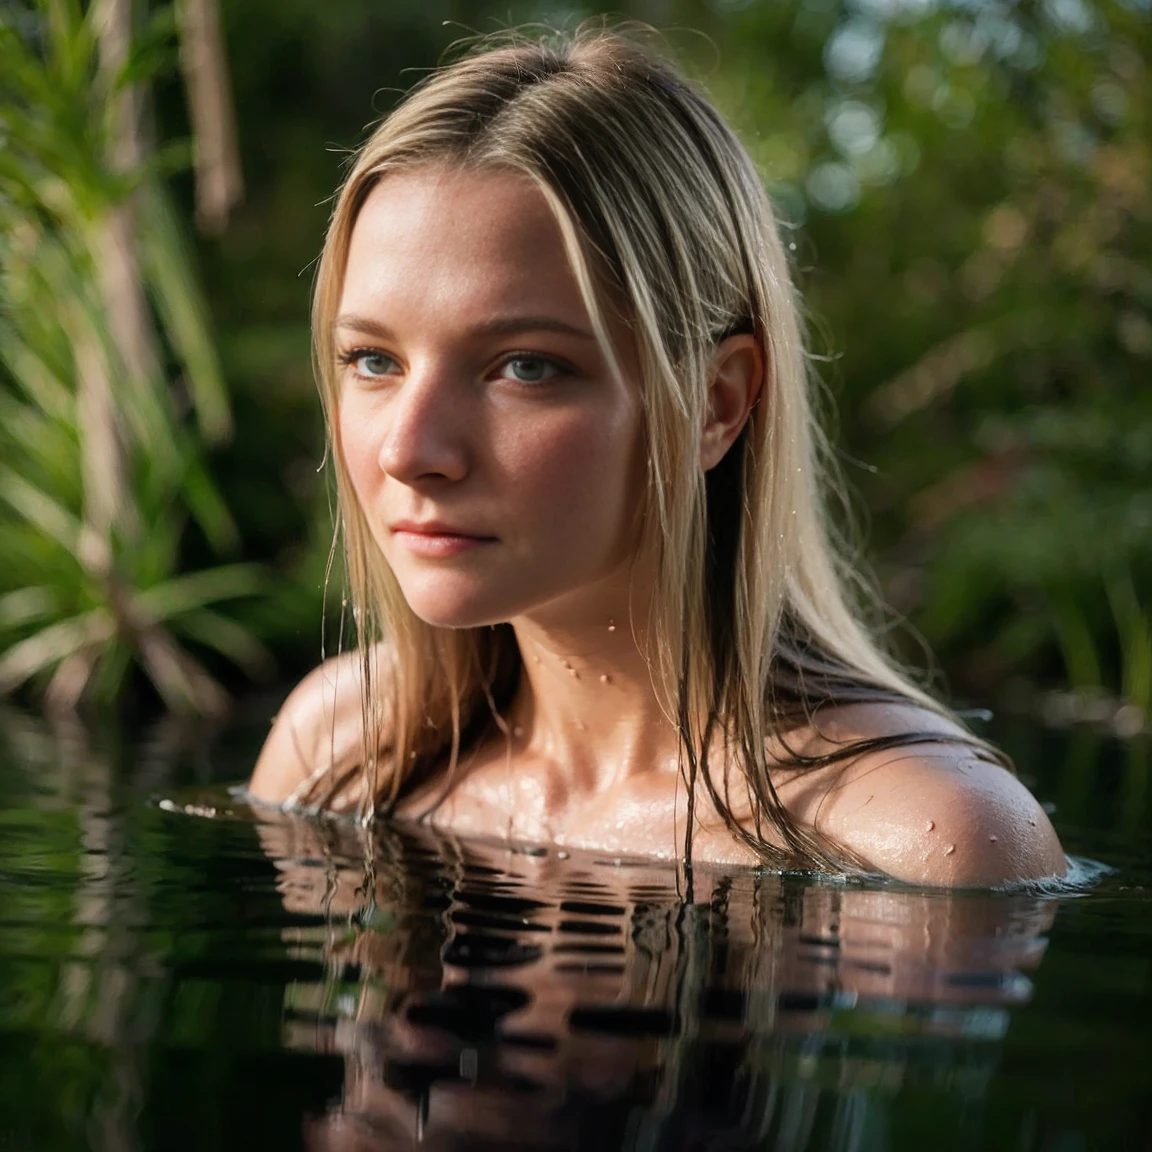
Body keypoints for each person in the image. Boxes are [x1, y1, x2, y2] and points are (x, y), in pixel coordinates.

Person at [248, 25, 1066, 886]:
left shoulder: (921, 835)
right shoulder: (336, 751)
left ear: (716, 404)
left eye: (526, 367)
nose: (411, 452)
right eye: (373, 360)